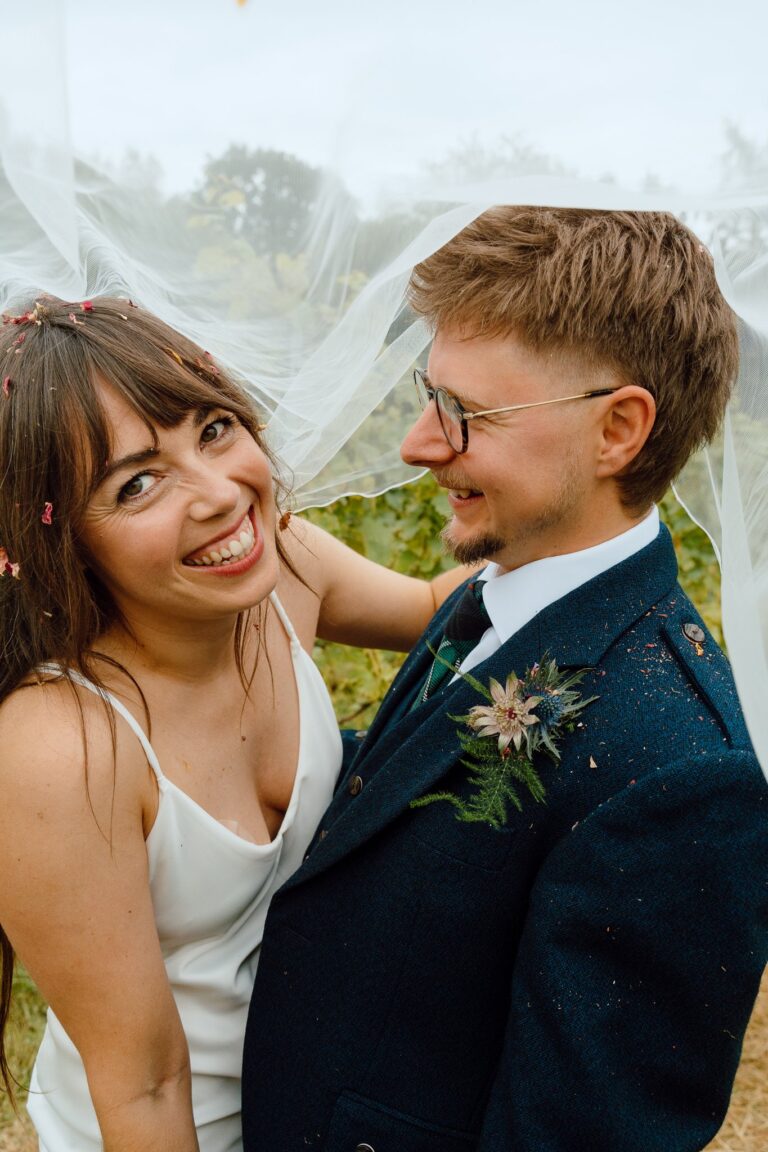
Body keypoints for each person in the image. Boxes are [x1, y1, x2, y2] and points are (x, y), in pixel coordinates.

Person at [242, 207, 768, 1152]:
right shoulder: (499, 591)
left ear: (618, 430)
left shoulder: (680, 774)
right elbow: (412, 809)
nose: (417, 443)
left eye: (467, 415)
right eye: (426, 392)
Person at [0, 296, 469, 1152]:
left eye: (214, 429)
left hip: (320, 1108)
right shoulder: (60, 746)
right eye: (136, 483)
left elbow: (443, 607)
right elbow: (143, 1080)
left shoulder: (287, 567)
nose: (220, 493)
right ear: (63, 543)